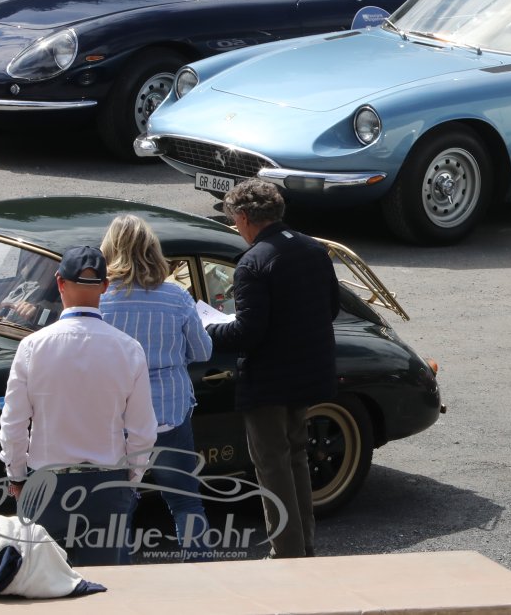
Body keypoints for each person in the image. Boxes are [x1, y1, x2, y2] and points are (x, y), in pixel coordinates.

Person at [0, 246, 157, 567]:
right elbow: (143, 431)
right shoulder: (129, 348)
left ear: (59, 282)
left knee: (44, 582)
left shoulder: (32, 346)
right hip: (108, 484)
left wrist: (16, 476)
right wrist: (131, 478)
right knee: (108, 583)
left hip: (47, 485)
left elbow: (13, 424)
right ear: (105, 286)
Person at [205, 180, 338, 560]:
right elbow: (330, 308)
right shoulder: (313, 248)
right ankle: (303, 545)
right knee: (295, 456)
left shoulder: (253, 263)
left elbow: (247, 332)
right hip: (309, 371)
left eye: (234, 220)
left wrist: (207, 329)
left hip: (268, 379)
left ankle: (287, 553)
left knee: (271, 465)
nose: (235, 227)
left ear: (245, 217)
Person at [99, 215, 214, 562]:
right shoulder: (176, 297)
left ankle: (118, 575)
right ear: (153, 251)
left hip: (117, 416)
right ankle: (202, 571)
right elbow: (203, 352)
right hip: (169, 412)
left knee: (118, 504)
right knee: (184, 499)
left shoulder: (100, 300)